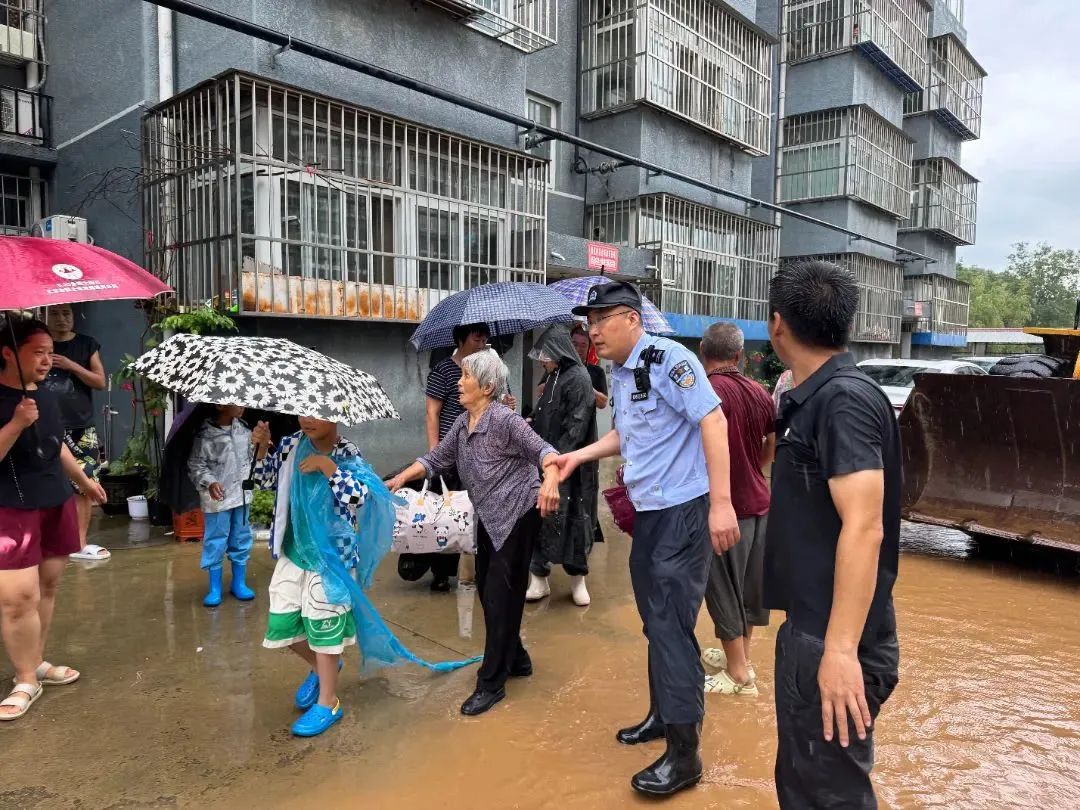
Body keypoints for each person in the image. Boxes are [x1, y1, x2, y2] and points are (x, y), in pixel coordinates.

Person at [553, 282, 740, 798]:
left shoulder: (669, 359)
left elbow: (713, 420)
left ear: (631, 319)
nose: (591, 331)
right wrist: (579, 457)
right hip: (652, 514)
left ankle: (686, 755)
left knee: (672, 628)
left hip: (683, 511)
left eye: (600, 320)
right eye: (587, 322)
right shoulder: (619, 372)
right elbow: (627, 436)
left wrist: (722, 504)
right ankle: (662, 716)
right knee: (656, 623)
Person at [764, 261, 901, 809]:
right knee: (803, 783)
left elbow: (865, 525)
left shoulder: (841, 400)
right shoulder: (814, 398)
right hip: (817, 627)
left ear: (777, 326)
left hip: (833, 637)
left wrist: (841, 650)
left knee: (828, 795)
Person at [387, 350, 561, 717]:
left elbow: (546, 452)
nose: (458, 382)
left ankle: (491, 683)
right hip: (487, 516)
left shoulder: (505, 421)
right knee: (488, 590)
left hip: (518, 512)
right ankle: (517, 658)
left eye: (466, 376)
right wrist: (401, 477)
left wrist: (551, 482)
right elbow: (436, 459)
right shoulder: (464, 423)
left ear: (487, 386)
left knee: (500, 595)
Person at [0, 317, 107, 721]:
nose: (47, 360)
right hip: (10, 505)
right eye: (37, 353)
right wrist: (14, 423)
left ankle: (37, 662)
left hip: (53, 498)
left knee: (47, 586)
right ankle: (26, 678)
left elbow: (56, 443)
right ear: (9, 352)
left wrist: (83, 480)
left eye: (49, 352)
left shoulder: (43, 394)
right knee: (16, 598)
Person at [252, 414, 371, 737]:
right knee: (282, 623)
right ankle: (324, 668)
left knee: (323, 626)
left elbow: (360, 495)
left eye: (317, 413)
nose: (307, 420)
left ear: (337, 415)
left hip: (332, 558)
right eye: (303, 412)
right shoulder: (291, 444)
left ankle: (328, 701)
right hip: (294, 550)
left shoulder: (348, 453)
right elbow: (266, 484)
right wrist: (263, 450)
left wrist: (328, 467)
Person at [697, 323, 776, 697]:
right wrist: (754, 470)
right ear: (739, 355)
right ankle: (741, 658)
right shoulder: (760, 392)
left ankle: (739, 677)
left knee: (723, 589)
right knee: (749, 590)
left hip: (725, 509)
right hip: (760, 502)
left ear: (702, 351)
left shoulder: (707, 393)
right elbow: (771, 443)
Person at [406, 322, 491, 592]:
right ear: (462, 339)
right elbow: (432, 412)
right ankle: (441, 573)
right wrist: (434, 454)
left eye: (485, 339)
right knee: (444, 514)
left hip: (478, 454)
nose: (482, 343)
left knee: (472, 513)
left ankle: (471, 571)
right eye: (478, 338)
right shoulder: (443, 370)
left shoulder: (483, 373)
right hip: (448, 455)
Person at [525, 325, 597, 606]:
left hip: (572, 466)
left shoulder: (578, 378)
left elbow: (577, 425)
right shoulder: (552, 376)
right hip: (547, 463)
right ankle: (538, 578)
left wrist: (557, 461)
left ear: (558, 352)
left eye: (545, 355)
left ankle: (578, 581)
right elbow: (543, 412)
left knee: (575, 522)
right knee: (541, 519)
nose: (542, 361)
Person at [40, 304, 109, 561]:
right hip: (44, 425)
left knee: (85, 484)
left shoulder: (86, 344)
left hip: (81, 426)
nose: (62, 319)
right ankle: (48, 539)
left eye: (66, 314)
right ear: (44, 316)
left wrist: (71, 365)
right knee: (47, 481)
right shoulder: (39, 343)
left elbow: (100, 382)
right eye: (55, 314)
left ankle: (79, 543)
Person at [187, 404, 255, 607]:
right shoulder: (205, 434)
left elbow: (252, 459)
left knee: (241, 537)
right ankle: (215, 587)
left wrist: (261, 446)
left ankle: (239, 582)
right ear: (220, 405)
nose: (242, 405)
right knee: (216, 539)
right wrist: (209, 481)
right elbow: (195, 464)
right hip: (217, 498)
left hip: (242, 496)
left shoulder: (244, 430)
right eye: (237, 401)